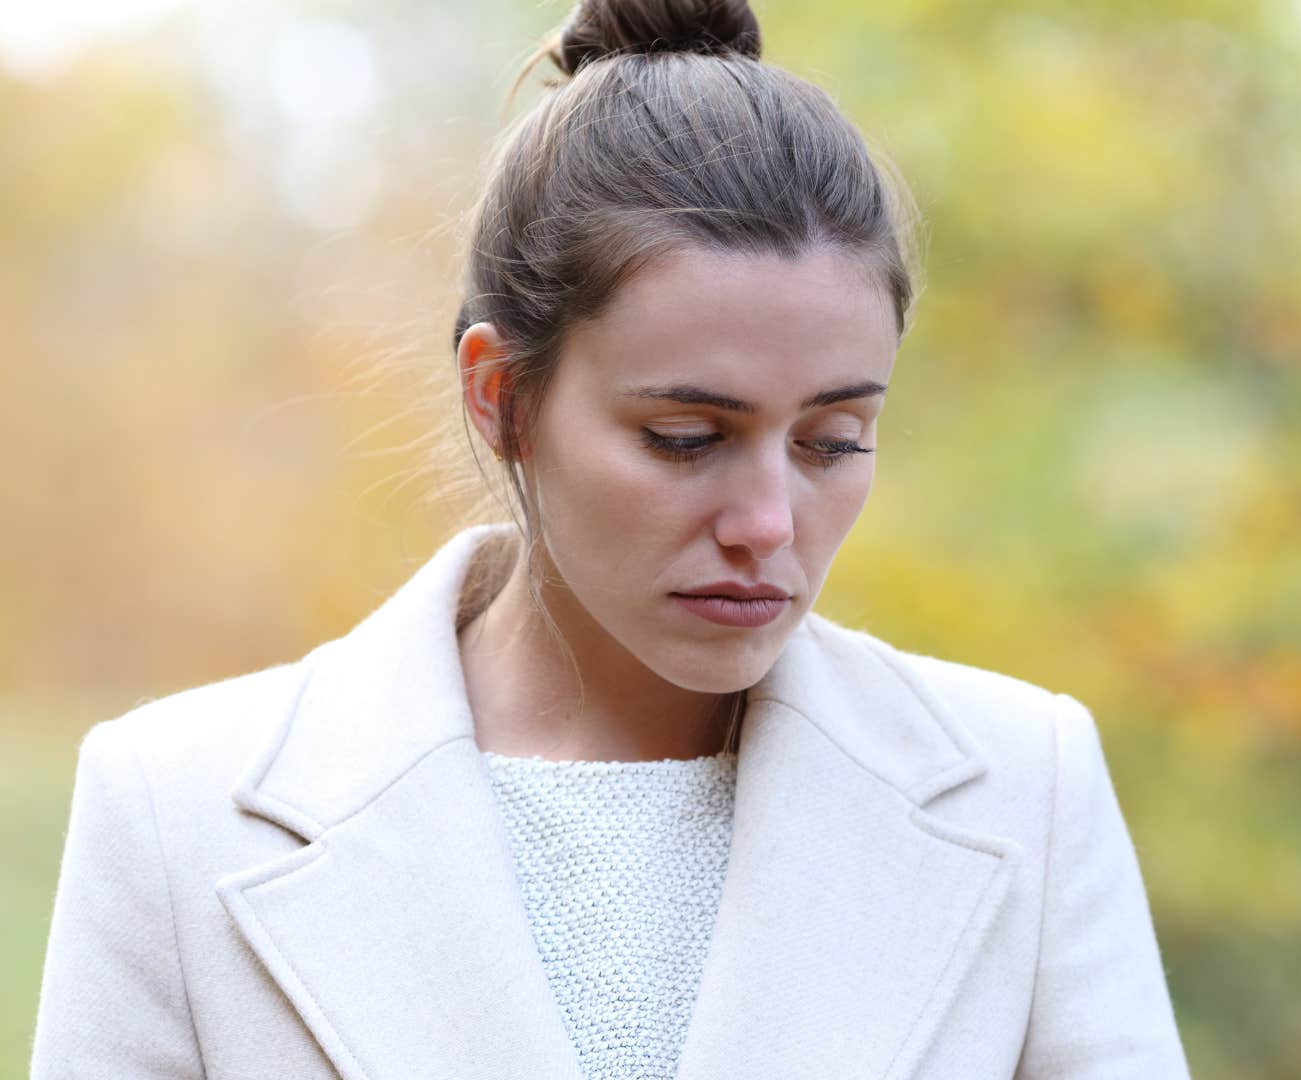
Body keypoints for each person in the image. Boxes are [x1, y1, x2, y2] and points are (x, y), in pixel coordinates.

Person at [27, 1, 1190, 1076]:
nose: (768, 524)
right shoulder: (175, 812)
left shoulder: (1024, 788)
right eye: (687, 436)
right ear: (502, 399)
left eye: (834, 440)